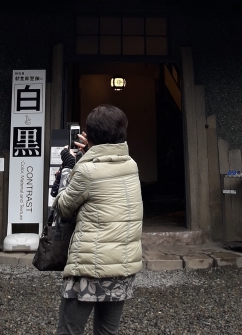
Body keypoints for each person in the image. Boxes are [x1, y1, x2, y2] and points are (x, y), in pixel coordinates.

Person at [53, 105, 143, 335]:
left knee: (69, 331)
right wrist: (90, 154)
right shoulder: (131, 165)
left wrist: (68, 169)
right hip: (121, 265)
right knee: (107, 332)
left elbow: (63, 207)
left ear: (90, 135)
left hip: (89, 266)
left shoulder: (85, 171)